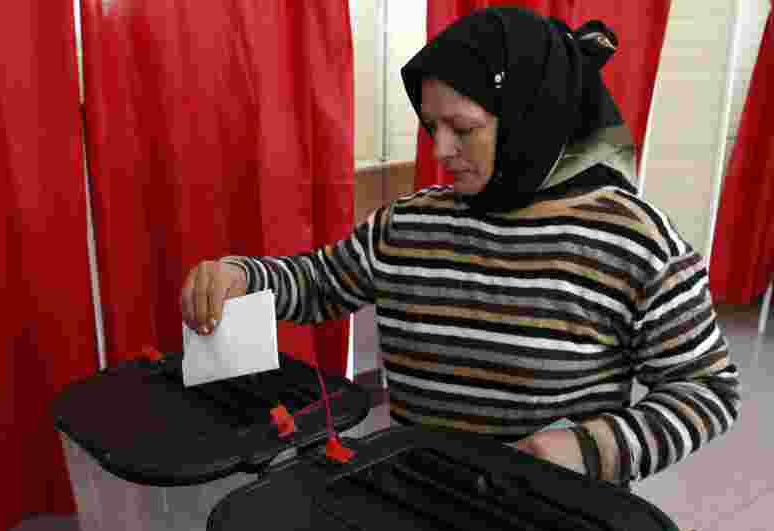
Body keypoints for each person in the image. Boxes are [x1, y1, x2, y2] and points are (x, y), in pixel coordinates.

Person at [179, 6, 741, 487]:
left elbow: (706, 390)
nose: (441, 150)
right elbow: (318, 284)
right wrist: (242, 276)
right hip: (423, 494)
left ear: (531, 115)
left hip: (553, 516)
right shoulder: (407, 225)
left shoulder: (636, 245)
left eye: (463, 127)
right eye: (431, 127)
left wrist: (590, 449)